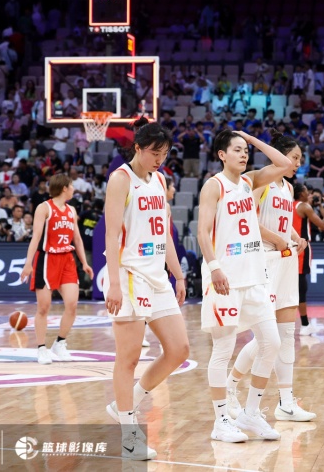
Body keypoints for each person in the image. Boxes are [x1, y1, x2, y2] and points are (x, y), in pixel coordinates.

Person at [101, 118, 190, 460]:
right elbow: (111, 235)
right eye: (154, 153)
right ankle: (129, 436)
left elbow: (164, 232)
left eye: (164, 154)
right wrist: (113, 282)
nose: (159, 159)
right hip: (129, 275)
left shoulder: (160, 179)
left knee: (179, 349)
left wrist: (178, 274)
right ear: (137, 148)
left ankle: (127, 403)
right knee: (129, 358)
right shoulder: (120, 179)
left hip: (157, 277)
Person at [197, 129, 294, 443]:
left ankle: (251, 413)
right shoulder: (214, 185)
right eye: (236, 149)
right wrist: (214, 267)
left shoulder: (250, 181)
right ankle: (220, 421)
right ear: (222, 155)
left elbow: (283, 164)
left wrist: (252, 139)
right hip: (225, 278)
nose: (243, 154)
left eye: (245, 150)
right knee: (223, 350)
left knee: (272, 342)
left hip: (254, 277)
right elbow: (202, 232)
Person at [225, 131, 316, 423]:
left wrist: (296, 238)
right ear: (280, 155)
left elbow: (285, 224)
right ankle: (231, 385)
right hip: (263, 259)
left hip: (285, 260)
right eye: (294, 157)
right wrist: (278, 240)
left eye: (299, 159)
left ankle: (286, 403)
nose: (297, 163)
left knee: (287, 334)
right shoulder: (261, 182)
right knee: (268, 336)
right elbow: (248, 220)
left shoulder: (288, 188)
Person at [20, 173, 94, 365]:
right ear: (64, 188)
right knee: (44, 307)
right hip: (47, 259)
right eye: (71, 186)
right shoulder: (44, 208)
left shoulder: (71, 210)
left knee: (72, 304)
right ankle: (41, 348)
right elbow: (36, 237)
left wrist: (84, 263)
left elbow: (77, 239)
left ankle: (59, 343)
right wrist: (28, 263)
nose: (74, 189)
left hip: (67, 259)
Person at [293, 185, 324, 335]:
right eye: (307, 192)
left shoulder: (289, 205)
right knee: (301, 288)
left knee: (290, 289)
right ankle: (305, 325)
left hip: (288, 247)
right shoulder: (304, 207)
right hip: (301, 248)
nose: (310, 194)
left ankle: (292, 324)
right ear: (301, 194)